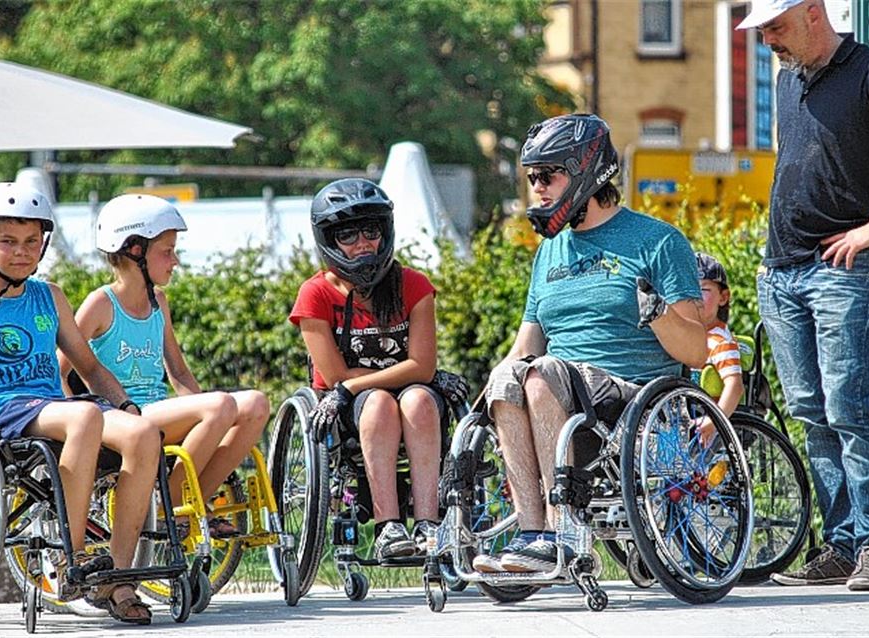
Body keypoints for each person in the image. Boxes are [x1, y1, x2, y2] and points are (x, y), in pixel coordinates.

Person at [737, 0, 869, 590]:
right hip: (781, 270)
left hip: (844, 271)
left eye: (775, 26)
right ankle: (844, 544)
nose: (767, 40)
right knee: (811, 412)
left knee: (850, 406)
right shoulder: (786, 78)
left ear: (813, 13)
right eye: (761, 29)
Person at [472, 114, 707, 574]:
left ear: (584, 172)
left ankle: (563, 532)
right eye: (531, 177)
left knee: (541, 377)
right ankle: (532, 535)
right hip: (563, 388)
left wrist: (657, 311)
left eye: (547, 176)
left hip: (631, 396)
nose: (536, 188)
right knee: (508, 378)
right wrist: (485, 400)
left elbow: (697, 351)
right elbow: (526, 346)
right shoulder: (549, 253)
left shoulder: (657, 241)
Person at [0, 182, 158, 624]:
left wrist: (124, 405)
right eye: (8, 241)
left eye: (32, 242)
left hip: (53, 409)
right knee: (84, 414)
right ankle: (74, 557)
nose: (22, 252)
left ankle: (119, 578)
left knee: (143, 432)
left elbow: (89, 366)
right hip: (0, 412)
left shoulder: (51, 297)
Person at [58, 194, 270, 539]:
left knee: (256, 405)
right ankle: (166, 506)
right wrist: (80, 425)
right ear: (135, 251)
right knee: (221, 405)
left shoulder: (159, 302)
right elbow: (60, 369)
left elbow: (180, 373)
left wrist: (214, 416)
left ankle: (194, 497)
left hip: (159, 412)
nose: (175, 260)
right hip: (125, 419)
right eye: (167, 251)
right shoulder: (100, 303)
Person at [290, 178, 467, 560]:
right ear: (328, 241)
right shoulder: (315, 294)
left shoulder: (414, 285)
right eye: (348, 235)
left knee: (419, 400)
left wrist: (406, 376)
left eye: (371, 231)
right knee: (381, 405)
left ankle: (428, 524)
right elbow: (335, 377)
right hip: (348, 410)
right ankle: (389, 527)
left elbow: (422, 366)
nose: (362, 244)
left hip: (407, 398)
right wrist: (400, 375)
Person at [694, 252, 743, 445]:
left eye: (703, 290)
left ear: (723, 297)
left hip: (710, 427)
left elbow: (735, 386)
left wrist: (713, 421)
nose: (694, 298)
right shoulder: (691, 338)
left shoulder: (720, 341)